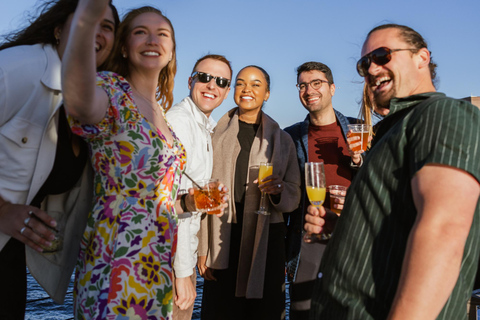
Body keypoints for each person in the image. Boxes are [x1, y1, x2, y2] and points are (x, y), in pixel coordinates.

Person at [305, 23, 480, 319]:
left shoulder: (441, 114)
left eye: (383, 55)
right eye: (364, 63)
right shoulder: (395, 130)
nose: (372, 69)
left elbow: (444, 232)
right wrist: (346, 227)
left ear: (421, 57)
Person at [61, 1, 188, 318]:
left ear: (171, 51)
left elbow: (158, 197)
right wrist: (86, 21)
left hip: (158, 257)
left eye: (162, 34)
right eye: (140, 32)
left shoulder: (163, 116)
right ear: (124, 47)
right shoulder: (112, 89)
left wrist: (191, 204)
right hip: (117, 250)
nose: (152, 40)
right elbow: (80, 103)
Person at [0, 0, 118, 318]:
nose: (96, 30)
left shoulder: (88, 102)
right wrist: (2, 210)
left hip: (10, 250)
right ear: (57, 30)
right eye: (86, 19)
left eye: (106, 26)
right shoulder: (18, 68)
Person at [199, 65, 301, 319]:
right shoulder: (213, 135)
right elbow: (201, 191)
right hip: (222, 236)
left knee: (264, 312)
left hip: (267, 238)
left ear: (266, 94)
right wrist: (202, 249)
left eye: (256, 84)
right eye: (241, 83)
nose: (247, 89)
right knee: (219, 311)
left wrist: (278, 190)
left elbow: (294, 194)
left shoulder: (282, 140)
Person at [283, 61, 362, 319]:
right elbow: (288, 196)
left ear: (332, 88)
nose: (309, 90)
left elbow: (379, 183)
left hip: (353, 239)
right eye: (303, 85)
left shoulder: (359, 129)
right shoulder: (290, 136)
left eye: (316, 83)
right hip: (309, 241)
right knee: (304, 312)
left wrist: (360, 160)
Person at [166, 54, 232, 319]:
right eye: (204, 77)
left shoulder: (206, 126)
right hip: (170, 259)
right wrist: (182, 272)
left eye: (221, 81)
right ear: (191, 80)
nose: (211, 85)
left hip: (183, 254)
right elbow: (171, 203)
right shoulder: (179, 123)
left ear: (227, 92)